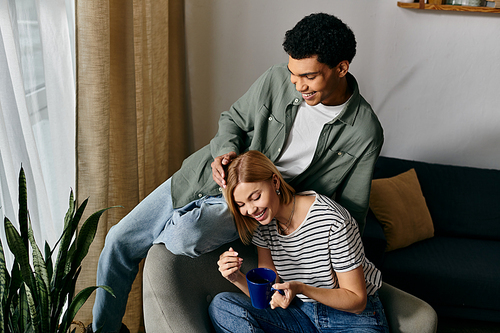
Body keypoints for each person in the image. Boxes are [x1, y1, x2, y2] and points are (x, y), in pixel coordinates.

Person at [89, 12, 384, 333]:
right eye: (293, 74)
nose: (298, 85)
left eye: (309, 77)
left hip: (257, 202)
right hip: (205, 177)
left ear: (341, 68)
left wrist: (329, 265)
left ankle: (184, 220)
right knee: (118, 240)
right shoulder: (274, 80)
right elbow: (233, 120)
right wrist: (225, 151)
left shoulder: (364, 130)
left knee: (185, 235)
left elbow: (353, 208)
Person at [210, 150, 389, 332]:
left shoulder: (333, 221)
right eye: (241, 205)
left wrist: (302, 289)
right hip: (301, 314)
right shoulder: (264, 227)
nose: (251, 210)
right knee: (222, 305)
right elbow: (269, 294)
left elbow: (357, 300)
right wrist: (236, 277)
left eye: (255, 197)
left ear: (275, 181)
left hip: (351, 319)